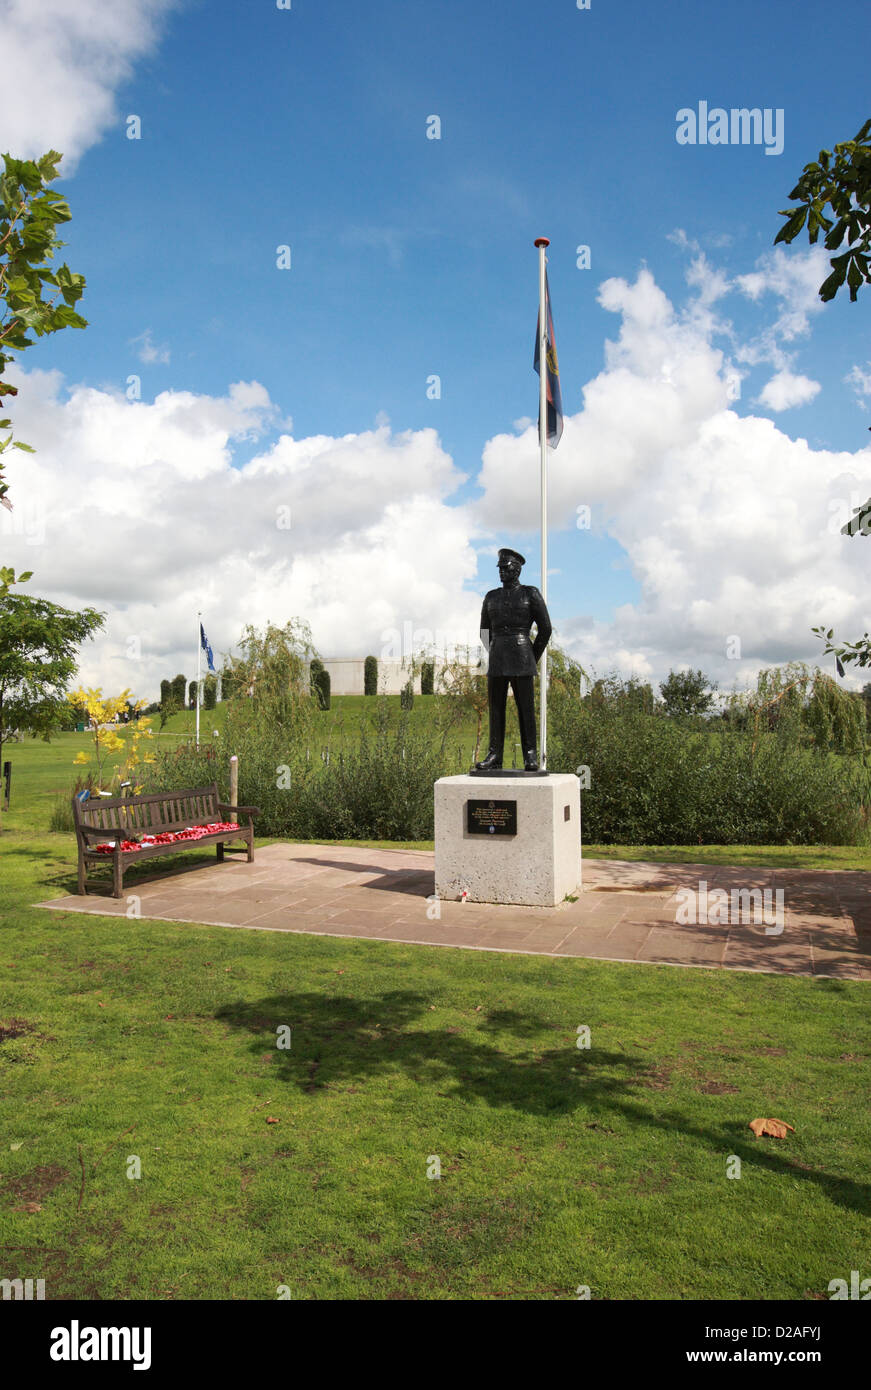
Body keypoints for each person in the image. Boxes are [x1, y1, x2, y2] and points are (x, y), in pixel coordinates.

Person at [474, 548, 552, 772]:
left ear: (517, 569)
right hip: (498, 659)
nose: (501, 572)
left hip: (522, 657)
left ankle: (530, 754)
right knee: (496, 709)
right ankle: (494, 754)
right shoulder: (491, 596)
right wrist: (496, 650)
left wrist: (530, 656)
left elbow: (545, 629)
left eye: (505, 568)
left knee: (526, 709)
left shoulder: (531, 594)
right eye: (499, 568)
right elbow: (484, 632)